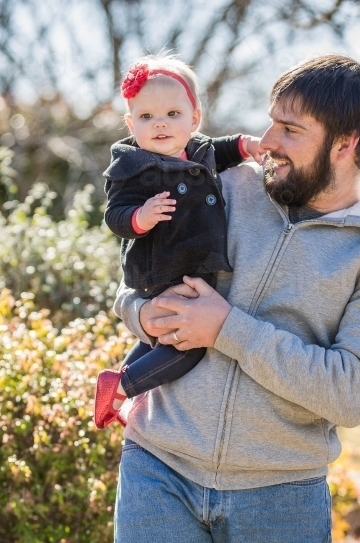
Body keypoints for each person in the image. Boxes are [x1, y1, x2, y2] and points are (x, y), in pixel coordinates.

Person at [108, 54, 360, 543]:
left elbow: (354, 392)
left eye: (291, 130)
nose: (269, 143)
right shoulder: (225, 184)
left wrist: (228, 329)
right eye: (272, 122)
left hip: (278, 491)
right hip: (160, 465)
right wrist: (140, 315)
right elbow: (135, 275)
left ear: (345, 145)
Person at [92, 54, 264, 428]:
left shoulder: (198, 150)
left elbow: (222, 150)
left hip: (186, 266)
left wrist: (246, 146)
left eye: (173, 114)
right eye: (147, 117)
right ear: (130, 123)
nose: (160, 125)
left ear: (194, 119)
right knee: (190, 346)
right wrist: (141, 217)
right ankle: (124, 385)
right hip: (162, 267)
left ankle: (114, 390)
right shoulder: (133, 167)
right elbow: (114, 215)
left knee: (163, 336)